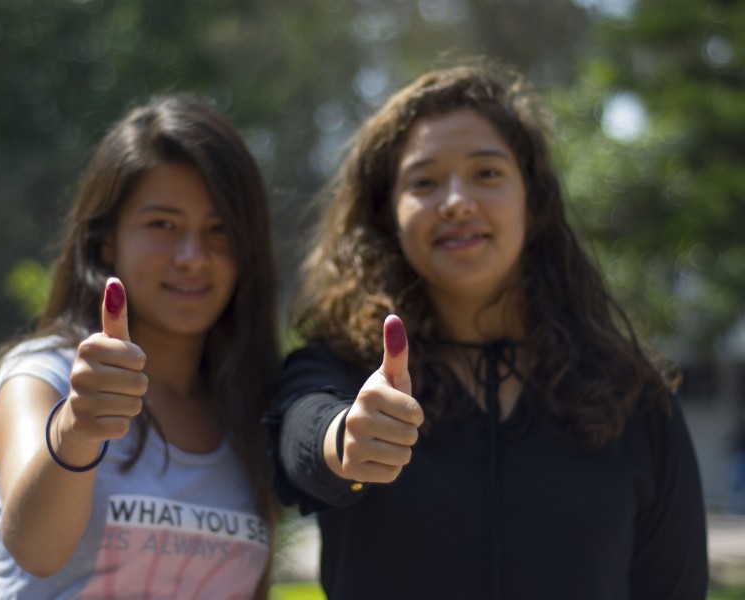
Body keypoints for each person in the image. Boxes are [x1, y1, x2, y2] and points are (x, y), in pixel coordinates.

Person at [266, 59, 708, 599]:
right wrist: (346, 441)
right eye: (424, 182)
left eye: (487, 173)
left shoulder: (636, 397)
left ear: (534, 201)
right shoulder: (342, 366)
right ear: (387, 215)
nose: (457, 201)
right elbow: (301, 434)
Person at [0, 95, 279, 599]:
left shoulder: (250, 406)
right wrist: (76, 428)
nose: (192, 257)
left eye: (219, 229)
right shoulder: (43, 377)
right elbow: (35, 550)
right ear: (105, 242)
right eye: (162, 225)